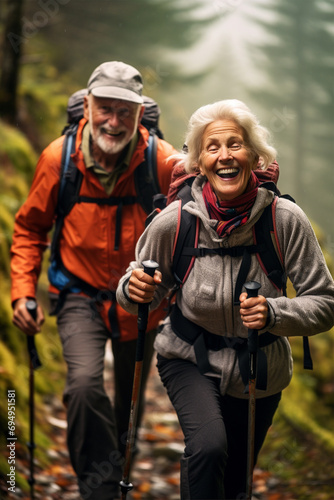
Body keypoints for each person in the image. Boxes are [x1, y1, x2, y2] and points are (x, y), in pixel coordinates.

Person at [116, 99, 334, 499]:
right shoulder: (175, 220)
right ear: (198, 162)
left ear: (254, 155)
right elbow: (139, 290)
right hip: (188, 356)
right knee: (209, 445)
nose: (225, 155)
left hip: (259, 367)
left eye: (235, 144)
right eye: (212, 147)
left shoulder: (283, 220)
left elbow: (324, 302)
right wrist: (133, 289)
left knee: (235, 481)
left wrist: (273, 312)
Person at [11, 61, 176, 500]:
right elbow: (30, 229)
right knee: (84, 388)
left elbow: (191, 218)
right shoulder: (57, 159)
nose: (114, 121)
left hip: (141, 301)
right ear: (87, 106)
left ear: (140, 115)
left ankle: (118, 480)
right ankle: (99, 491)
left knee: (128, 409)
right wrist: (23, 293)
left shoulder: (161, 161)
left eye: (125, 112)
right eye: (105, 108)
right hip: (78, 294)